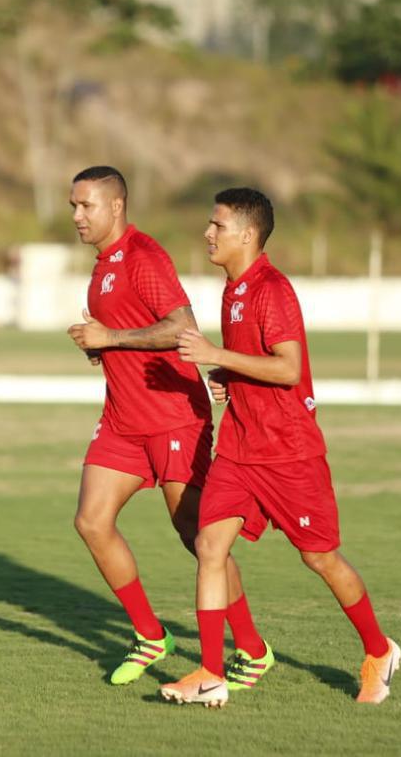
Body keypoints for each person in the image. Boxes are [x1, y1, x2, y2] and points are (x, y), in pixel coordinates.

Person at [161, 187, 400, 707]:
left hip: (289, 453)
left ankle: (379, 650)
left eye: (217, 225)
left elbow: (289, 368)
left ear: (246, 235)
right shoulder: (233, 288)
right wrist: (227, 372)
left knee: (321, 559)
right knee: (208, 546)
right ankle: (209, 672)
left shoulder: (273, 290)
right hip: (239, 451)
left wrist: (214, 353)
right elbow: (256, 359)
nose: (207, 233)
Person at [66, 166, 268, 687]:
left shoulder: (143, 256)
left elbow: (182, 328)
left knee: (199, 537)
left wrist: (109, 338)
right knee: (91, 521)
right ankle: (151, 636)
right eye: (74, 206)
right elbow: (130, 336)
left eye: (86, 206)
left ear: (116, 206)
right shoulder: (101, 266)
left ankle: (251, 648)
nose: (77, 216)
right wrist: (101, 349)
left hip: (174, 416)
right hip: (122, 420)